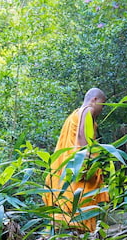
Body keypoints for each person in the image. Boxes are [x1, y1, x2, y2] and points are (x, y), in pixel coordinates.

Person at [42, 88, 110, 232]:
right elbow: (81, 136)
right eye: (102, 104)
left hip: (66, 167)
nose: (102, 109)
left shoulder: (74, 115)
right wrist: (86, 164)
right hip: (78, 167)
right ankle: (77, 231)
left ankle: (63, 232)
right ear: (94, 100)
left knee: (66, 203)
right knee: (79, 200)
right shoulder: (88, 110)